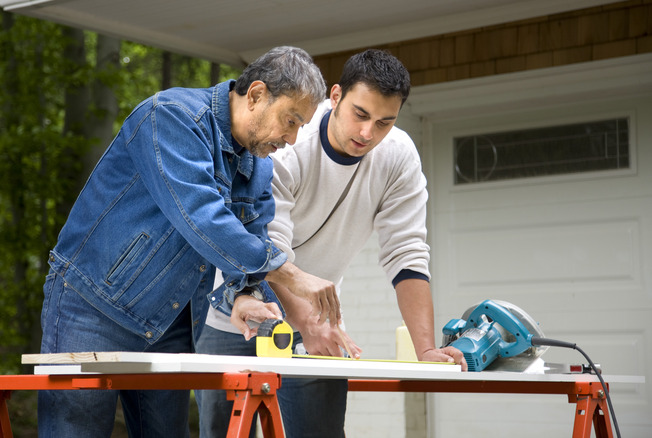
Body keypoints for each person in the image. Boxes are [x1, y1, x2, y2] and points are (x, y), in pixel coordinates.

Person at [37, 46, 333, 438]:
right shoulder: (171, 118)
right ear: (257, 94)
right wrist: (291, 274)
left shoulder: (258, 167)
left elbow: (249, 240)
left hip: (167, 320)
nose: (293, 138)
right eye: (290, 121)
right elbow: (201, 218)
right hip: (92, 305)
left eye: (301, 126)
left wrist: (244, 295)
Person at [196, 49, 468, 438]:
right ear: (336, 96)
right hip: (235, 313)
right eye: (360, 114)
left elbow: (407, 253)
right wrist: (307, 321)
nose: (367, 134)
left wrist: (425, 350)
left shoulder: (398, 156)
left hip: (316, 324)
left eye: (384, 122)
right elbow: (267, 248)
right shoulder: (286, 142)